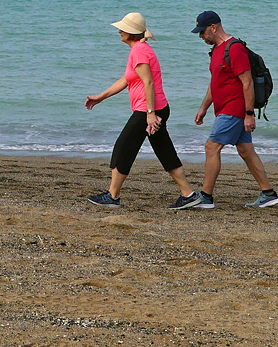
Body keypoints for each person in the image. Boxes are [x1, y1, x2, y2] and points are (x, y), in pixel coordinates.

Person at [85, 12, 202, 210]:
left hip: (148, 111)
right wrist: (101, 97)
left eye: (122, 29)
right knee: (164, 151)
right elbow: (126, 80)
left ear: (131, 33)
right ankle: (188, 194)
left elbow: (148, 82)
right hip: (156, 109)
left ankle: (113, 197)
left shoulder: (139, 51)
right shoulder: (140, 49)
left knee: (123, 148)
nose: (119, 31)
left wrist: (149, 114)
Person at [191, 11, 278, 209]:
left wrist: (249, 115)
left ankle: (205, 196)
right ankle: (268, 193)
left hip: (235, 107)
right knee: (246, 151)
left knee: (211, 147)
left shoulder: (235, 48)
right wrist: (203, 108)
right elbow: (215, 83)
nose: (201, 36)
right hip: (224, 108)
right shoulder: (216, 51)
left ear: (213, 27)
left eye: (202, 31)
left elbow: (247, 83)